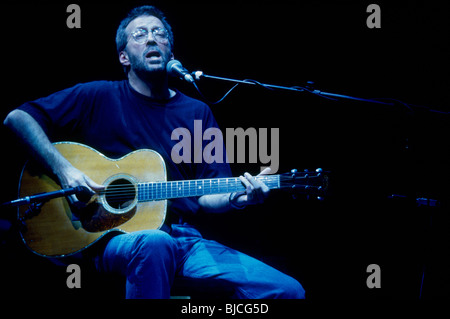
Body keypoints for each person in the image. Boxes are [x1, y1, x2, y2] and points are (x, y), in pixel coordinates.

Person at [3, 5, 305, 299]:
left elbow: (207, 194)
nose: (151, 38)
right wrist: (65, 170)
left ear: (171, 54)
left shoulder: (197, 113)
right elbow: (18, 118)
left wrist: (240, 197)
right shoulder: (97, 95)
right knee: (154, 243)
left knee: (287, 290)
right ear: (124, 56)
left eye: (159, 33)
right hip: (107, 237)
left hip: (184, 241)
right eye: (140, 34)